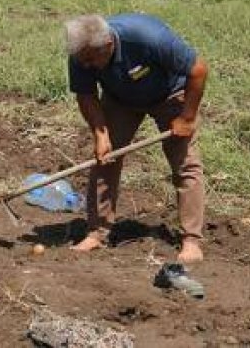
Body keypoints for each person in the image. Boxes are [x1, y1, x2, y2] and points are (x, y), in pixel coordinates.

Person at [64, 13, 208, 263]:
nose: (85, 65)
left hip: (169, 94)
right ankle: (97, 233)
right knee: (104, 159)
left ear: (108, 46)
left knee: (185, 165)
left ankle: (191, 240)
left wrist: (187, 117)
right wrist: (100, 133)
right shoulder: (81, 53)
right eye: (81, 60)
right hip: (120, 100)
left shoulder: (147, 38)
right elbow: (86, 95)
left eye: (89, 60)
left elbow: (198, 69)